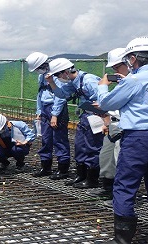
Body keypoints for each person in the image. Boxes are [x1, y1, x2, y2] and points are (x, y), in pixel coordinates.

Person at [97, 37, 148, 243]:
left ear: (133, 58)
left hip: (140, 139)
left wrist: (102, 86)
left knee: (125, 186)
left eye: (128, 60)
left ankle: (122, 240)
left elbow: (106, 103)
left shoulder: (133, 81)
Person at [46, 58, 104, 189]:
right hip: (85, 116)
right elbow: (61, 95)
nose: (57, 78)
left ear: (65, 72)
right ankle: (81, 175)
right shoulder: (74, 82)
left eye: (57, 75)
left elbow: (102, 99)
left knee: (92, 147)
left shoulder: (88, 80)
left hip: (95, 116)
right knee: (80, 145)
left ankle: (92, 179)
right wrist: (51, 83)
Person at [25, 52, 71, 180]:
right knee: (46, 139)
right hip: (45, 109)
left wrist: (55, 115)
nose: (37, 71)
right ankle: (46, 167)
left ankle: (63, 169)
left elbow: (60, 96)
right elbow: (40, 94)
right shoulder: (42, 76)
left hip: (57, 109)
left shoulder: (57, 74)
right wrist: (39, 111)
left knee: (59, 139)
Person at [98, 48, 128, 201]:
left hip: (125, 128)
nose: (115, 71)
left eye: (117, 67)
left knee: (120, 161)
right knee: (107, 157)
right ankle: (107, 188)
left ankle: (121, 197)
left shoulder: (133, 83)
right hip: (113, 124)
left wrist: (102, 88)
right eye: (114, 68)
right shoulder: (122, 83)